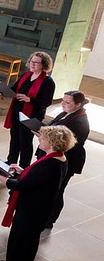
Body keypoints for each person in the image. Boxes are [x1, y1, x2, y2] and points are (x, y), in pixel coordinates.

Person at [0, 125, 75, 261]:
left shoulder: (50, 164)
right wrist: (22, 170)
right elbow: (36, 179)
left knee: (20, 242)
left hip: (31, 211)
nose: (39, 139)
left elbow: (21, 185)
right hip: (39, 209)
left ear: (51, 143)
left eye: (42, 138)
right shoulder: (58, 158)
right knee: (28, 243)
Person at [36, 91, 89, 229]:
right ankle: (41, 213)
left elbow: (67, 144)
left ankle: (49, 220)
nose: (63, 104)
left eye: (67, 102)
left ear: (78, 104)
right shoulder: (66, 113)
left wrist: (45, 136)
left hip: (66, 160)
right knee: (46, 188)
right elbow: (53, 128)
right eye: (63, 101)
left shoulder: (80, 122)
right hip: (51, 154)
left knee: (57, 190)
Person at [4, 51, 55, 168]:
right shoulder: (26, 75)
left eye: (37, 62)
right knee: (15, 137)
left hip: (32, 116)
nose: (33, 64)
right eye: (32, 61)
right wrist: (4, 90)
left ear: (44, 65)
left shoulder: (48, 82)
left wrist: (30, 100)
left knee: (25, 142)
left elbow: (46, 102)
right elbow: (14, 88)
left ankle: (23, 167)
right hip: (17, 111)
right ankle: (11, 162)